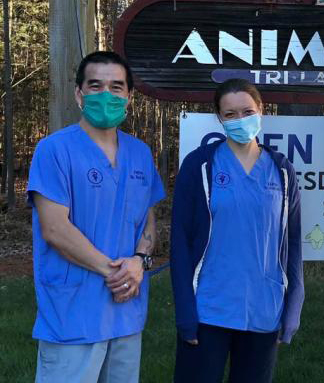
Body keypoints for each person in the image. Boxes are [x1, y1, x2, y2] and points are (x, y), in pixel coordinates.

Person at [27, 51, 165, 383]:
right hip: (73, 313)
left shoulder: (140, 153)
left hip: (126, 313)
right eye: (96, 85)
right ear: (79, 93)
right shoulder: (54, 150)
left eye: (116, 87)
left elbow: (147, 220)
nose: (107, 95)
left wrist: (139, 260)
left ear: (129, 96)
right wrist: (115, 272)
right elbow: (55, 229)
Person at [170, 79, 303, 383]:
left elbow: (292, 241)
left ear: (261, 111)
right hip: (209, 309)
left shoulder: (281, 170)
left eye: (247, 111)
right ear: (219, 118)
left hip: (264, 308)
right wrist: (185, 312)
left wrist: (294, 304)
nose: (240, 120)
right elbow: (180, 242)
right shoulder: (199, 166)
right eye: (230, 114)